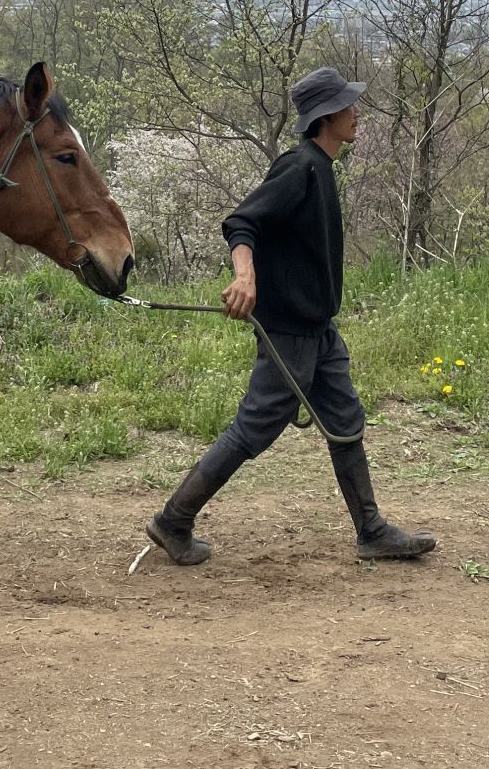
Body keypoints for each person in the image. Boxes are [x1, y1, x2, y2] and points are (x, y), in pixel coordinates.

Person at [146, 66, 436, 565]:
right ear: (326, 116)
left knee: (345, 421)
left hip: (319, 333)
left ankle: (371, 532)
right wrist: (245, 276)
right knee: (253, 428)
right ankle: (173, 521)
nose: (356, 112)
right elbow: (241, 223)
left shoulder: (321, 167)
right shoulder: (298, 167)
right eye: (347, 106)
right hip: (289, 335)